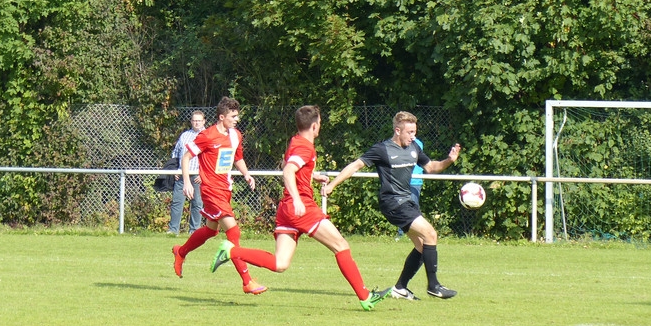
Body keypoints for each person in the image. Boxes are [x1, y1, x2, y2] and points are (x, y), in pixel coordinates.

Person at [213, 105, 389, 311]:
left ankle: (232, 251)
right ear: (314, 126)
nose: (320, 126)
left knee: (280, 264)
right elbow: (288, 170)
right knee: (340, 245)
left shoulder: (295, 141)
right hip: (301, 207)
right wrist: (297, 199)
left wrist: (313, 175)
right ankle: (365, 297)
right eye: (320, 123)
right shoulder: (305, 147)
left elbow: (290, 165)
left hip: (286, 208)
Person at [323, 111, 461, 301]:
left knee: (422, 246)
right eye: (409, 132)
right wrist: (332, 185)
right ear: (397, 130)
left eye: (414, 132)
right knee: (430, 234)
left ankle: (400, 288)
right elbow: (355, 166)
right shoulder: (382, 149)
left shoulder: (414, 147)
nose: (413, 136)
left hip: (407, 201)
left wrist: (449, 160)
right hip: (393, 203)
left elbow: (431, 167)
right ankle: (434, 286)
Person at [171, 97, 268, 295]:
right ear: (222, 117)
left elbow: (238, 158)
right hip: (211, 191)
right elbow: (186, 157)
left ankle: (181, 251)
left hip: (225, 190)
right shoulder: (207, 136)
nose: (236, 119)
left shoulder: (236, 135)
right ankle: (247, 281)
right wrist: (187, 182)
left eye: (237, 116)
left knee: (211, 231)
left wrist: (247, 174)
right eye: (233, 116)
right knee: (233, 232)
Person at [168, 111, 206, 235]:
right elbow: (176, 153)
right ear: (191, 121)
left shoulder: (207, 135)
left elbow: (210, 158)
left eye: (199, 120)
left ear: (203, 121)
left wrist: (203, 174)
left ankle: (194, 231)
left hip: (197, 176)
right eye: (194, 120)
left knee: (197, 203)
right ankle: (173, 230)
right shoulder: (184, 136)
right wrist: (175, 170)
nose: (197, 123)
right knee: (177, 202)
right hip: (181, 175)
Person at [396, 134, 423, 240]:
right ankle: (402, 234)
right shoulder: (398, 143)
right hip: (401, 181)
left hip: (414, 181)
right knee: (401, 206)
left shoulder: (418, 144)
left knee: (412, 208)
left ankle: (414, 233)